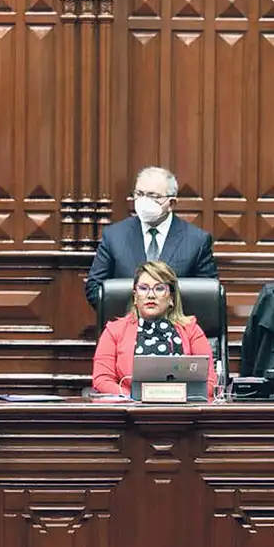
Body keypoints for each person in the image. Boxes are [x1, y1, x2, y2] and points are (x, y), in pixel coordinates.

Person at [84, 166, 218, 309]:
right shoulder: (114, 236)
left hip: (176, 327)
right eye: (139, 194)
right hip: (127, 326)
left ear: (171, 203)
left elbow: (207, 295)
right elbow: (95, 289)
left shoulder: (196, 241)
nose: (144, 201)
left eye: (153, 196)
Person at [91, 260, 218, 398]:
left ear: (172, 298)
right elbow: (102, 379)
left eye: (159, 288)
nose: (150, 295)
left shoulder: (191, 330)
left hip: (182, 411)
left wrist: (179, 399)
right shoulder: (114, 331)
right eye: (143, 288)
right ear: (135, 296)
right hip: (130, 410)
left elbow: (209, 380)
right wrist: (134, 398)